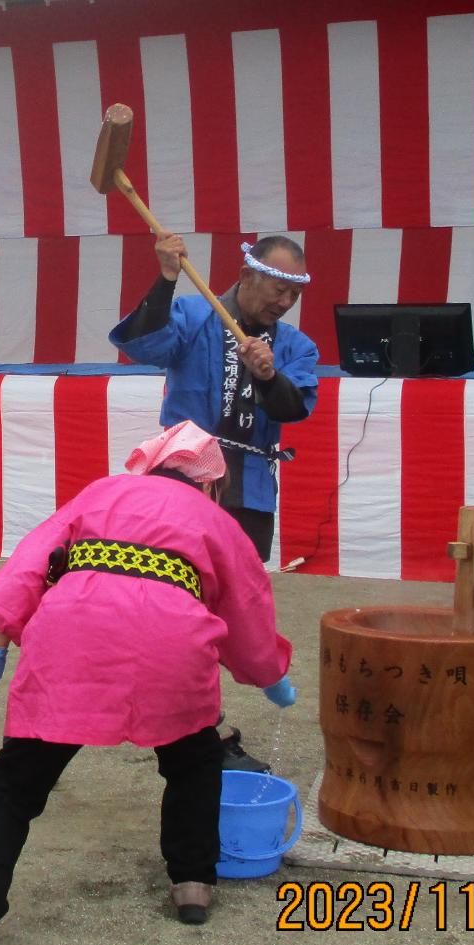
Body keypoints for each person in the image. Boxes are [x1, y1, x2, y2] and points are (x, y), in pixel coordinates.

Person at [0, 421, 295, 945]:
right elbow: (247, 605)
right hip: (171, 644)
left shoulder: (102, 490)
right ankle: (192, 886)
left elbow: (31, 563)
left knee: (14, 783)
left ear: (150, 466)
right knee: (194, 762)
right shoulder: (215, 519)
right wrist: (269, 673)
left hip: (73, 637)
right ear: (210, 485)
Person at [109, 233, 318, 770]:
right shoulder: (198, 315)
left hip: (247, 487)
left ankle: (192, 724)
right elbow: (142, 344)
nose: (284, 302)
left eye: (293, 293)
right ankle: (198, 731)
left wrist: (268, 373)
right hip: (181, 479)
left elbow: (295, 409)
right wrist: (166, 276)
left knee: (228, 609)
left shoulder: (294, 346)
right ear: (247, 276)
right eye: (277, 288)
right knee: (174, 603)